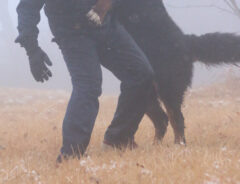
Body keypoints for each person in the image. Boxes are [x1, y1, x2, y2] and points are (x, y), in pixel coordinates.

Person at [15, 0, 154, 162]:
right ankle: (71, 156)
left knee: (141, 73)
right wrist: (32, 49)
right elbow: (28, 6)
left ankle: (118, 138)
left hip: (104, 22)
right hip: (72, 31)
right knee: (88, 86)